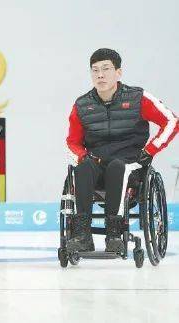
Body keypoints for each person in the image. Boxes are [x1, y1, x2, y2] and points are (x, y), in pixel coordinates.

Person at [66, 48, 178, 253]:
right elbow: (72, 141)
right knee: (81, 169)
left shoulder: (138, 98)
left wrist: (150, 150)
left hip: (130, 162)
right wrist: (83, 157)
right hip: (97, 163)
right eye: (95, 70)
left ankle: (114, 233)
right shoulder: (82, 105)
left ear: (118, 72)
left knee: (118, 167)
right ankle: (82, 235)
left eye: (106, 69)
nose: (100, 75)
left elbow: (171, 121)